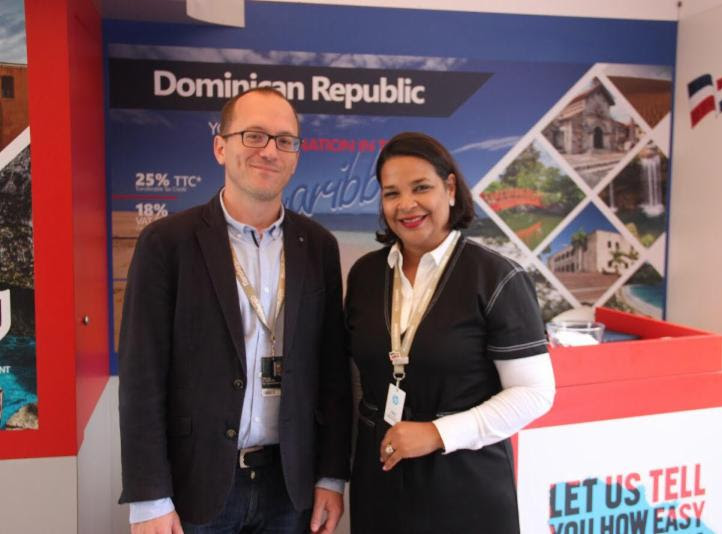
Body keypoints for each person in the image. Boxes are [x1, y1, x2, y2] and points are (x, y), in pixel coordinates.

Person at [118, 87, 351, 534]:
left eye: (285, 140)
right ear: (220, 147)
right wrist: (149, 498)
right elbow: (141, 376)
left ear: (296, 156)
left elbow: (332, 374)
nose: (270, 151)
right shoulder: (167, 243)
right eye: (254, 135)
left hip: (291, 489)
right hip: (195, 486)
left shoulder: (319, 246)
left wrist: (330, 476)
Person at [345, 132, 556, 534]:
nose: (406, 204)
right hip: (379, 479)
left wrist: (438, 433)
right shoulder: (365, 275)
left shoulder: (497, 277)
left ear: (451, 188)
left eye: (421, 187)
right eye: (392, 193)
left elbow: (534, 392)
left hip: (465, 481)